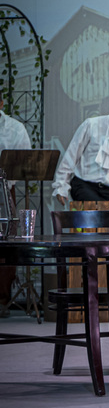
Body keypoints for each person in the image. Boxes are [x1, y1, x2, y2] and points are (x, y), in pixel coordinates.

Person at [0, 95, 31, 314]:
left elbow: (24, 161)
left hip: (3, 187)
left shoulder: (14, 128)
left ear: (1, 104)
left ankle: (2, 298)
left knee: (6, 242)